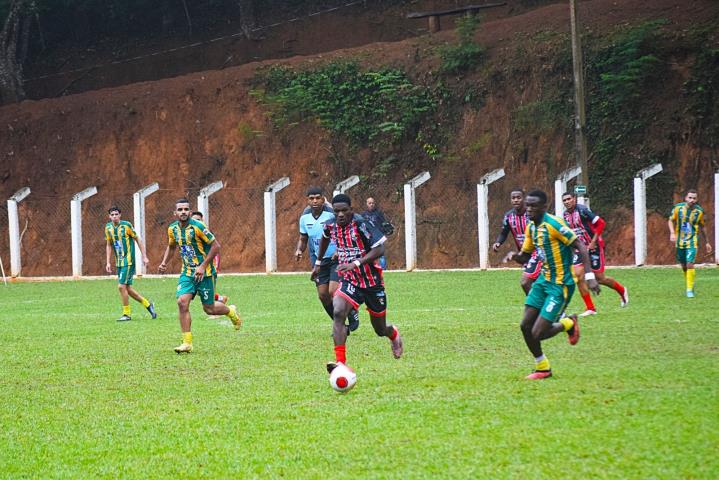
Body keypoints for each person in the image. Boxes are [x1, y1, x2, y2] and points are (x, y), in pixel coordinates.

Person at [508, 190, 600, 380]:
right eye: (528, 205)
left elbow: (580, 246)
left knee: (538, 332)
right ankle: (543, 367)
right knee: (525, 326)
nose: (529, 209)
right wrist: (515, 256)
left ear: (544, 207)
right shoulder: (532, 228)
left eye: (533, 206)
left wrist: (589, 275)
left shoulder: (554, 224)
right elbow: (526, 255)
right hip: (543, 282)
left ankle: (569, 323)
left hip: (560, 285)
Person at [312, 194, 403, 379]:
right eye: (337, 211)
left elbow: (379, 249)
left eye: (344, 210)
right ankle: (340, 364)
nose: (340, 214)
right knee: (338, 312)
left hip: (372, 283)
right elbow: (325, 238)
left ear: (351, 210)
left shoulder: (361, 224)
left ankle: (392, 333)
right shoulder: (330, 225)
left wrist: (356, 263)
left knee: (379, 329)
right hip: (350, 280)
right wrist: (319, 262)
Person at [158, 198, 241, 353]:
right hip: (187, 272)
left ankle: (230, 311)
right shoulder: (172, 229)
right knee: (182, 302)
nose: (183, 212)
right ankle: (187, 343)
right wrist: (164, 262)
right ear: (175, 213)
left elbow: (216, 246)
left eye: (186, 209)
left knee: (209, 309)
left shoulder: (198, 227)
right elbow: (171, 247)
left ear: (190, 212)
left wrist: (202, 266)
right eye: (180, 209)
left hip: (206, 273)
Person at [295, 187, 359, 333]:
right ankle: (340, 324)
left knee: (333, 291)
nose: (315, 201)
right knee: (323, 295)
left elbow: (343, 232)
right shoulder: (304, 218)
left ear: (324, 199)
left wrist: (339, 250)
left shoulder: (332, 214)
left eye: (318, 197)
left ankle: (352, 311)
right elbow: (303, 238)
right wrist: (299, 249)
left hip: (336, 258)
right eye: (311, 198)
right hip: (320, 260)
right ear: (307, 200)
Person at [562, 192, 629, 316]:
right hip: (579, 249)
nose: (567, 202)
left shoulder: (582, 210)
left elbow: (601, 223)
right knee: (578, 276)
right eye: (564, 200)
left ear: (574, 199)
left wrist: (593, 242)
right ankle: (590, 308)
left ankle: (622, 290)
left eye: (569, 199)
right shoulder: (565, 215)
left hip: (595, 247)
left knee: (600, 278)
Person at [104, 206, 157, 322]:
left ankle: (126, 314)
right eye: (112, 215)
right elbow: (109, 244)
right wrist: (108, 262)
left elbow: (137, 239)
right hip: (119, 262)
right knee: (127, 288)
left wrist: (144, 256)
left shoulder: (126, 225)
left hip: (128, 261)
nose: (114, 216)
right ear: (109, 216)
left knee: (121, 286)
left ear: (120, 215)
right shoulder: (108, 228)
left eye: (116, 214)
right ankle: (148, 305)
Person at [492, 189, 542, 294]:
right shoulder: (509, 216)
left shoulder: (531, 215)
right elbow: (504, 232)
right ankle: (536, 305)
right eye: (513, 198)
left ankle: (535, 305)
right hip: (524, 254)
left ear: (524, 199)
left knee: (528, 281)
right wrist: (498, 242)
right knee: (530, 282)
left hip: (537, 252)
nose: (516, 200)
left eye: (518, 197)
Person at [668, 189, 713, 298]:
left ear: (697, 200)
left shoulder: (699, 211)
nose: (692, 200)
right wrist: (672, 233)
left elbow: (703, 227)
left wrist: (707, 242)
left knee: (689, 263)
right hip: (680, 241)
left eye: (694, 198)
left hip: (692, 241)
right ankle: (690, 284)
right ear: (685, 198)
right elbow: (670, 220)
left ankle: (689, 290)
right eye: (690, 198)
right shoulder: (678, 208)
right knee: (684, 266)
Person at [191, 211, 228, 305]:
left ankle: (217, 311)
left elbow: (215, 247)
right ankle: (220, 298)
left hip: (211, 262)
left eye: (198, 220)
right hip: (200, 264)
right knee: (200, 291)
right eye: (194, 220)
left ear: (202, 220)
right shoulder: (191, 232)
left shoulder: (204, 231)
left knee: (209, 288)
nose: (197, 222)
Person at [361, 197, 393, 269]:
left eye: (373, 203)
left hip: (378, 236)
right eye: (369, 203)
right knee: (368, 253)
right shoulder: (363, 214)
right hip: (368, 237)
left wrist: (385, 231)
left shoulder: (378, 213)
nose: (371, 204)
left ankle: (383, 269)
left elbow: (384, 223)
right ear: (367, 204)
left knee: (381, 253)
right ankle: (369, 268)